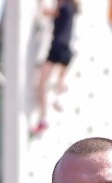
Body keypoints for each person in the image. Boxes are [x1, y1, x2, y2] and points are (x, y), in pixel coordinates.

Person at [32, 0, 79, 137]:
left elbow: (45, 12)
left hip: (57, 48)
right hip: (66, 51)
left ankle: (44, 117)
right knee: (60, 82)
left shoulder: (64, 9)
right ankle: (58, 99)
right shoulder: (71, 10)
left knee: (42, 85)